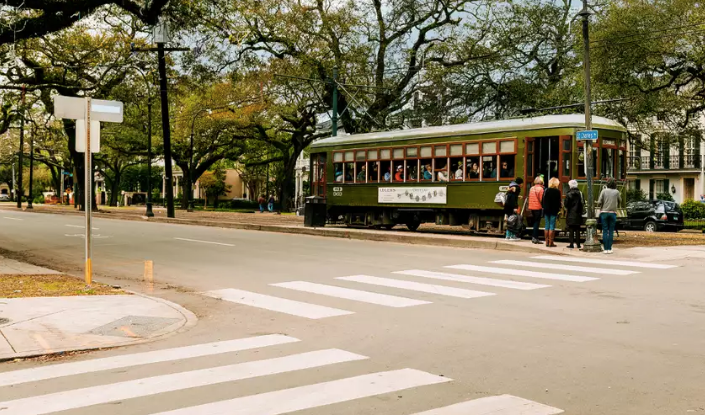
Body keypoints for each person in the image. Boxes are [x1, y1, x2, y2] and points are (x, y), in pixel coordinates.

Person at [598, 178, 620, 254]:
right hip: (613, 212)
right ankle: (610, 248)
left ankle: (605, 248)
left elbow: (599, 201)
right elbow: (620, 200)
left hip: (604, 212)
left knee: (605, 230)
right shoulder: (617, 192)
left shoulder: (603, 191)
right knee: (611, 231)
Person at [564, 179, 585, 249]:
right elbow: (583, 203)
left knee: (571, 229)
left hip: (570, 214)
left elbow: (566, 204)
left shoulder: (568, 194)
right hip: (578, 214)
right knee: (578, 229)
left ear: (570, 186)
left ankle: (571, 244)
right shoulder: (581, 193)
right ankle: (578, 244)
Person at [542, 177, 562, 247]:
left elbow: (543, 200)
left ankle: (547, 242)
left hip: (546, 210)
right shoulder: (557, 191)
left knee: (546, 225)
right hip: (554, 210)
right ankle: (551, 242)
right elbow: (559, 202)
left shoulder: (546, 190)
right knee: (552, 226)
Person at [528, 176, 544, 244]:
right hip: (538, 207)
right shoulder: (541, 189)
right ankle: (535, 238)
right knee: (536, 223)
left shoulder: (531, 188)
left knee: (535, 221)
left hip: (532, 207)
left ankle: (534, 237)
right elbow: (541, 199)